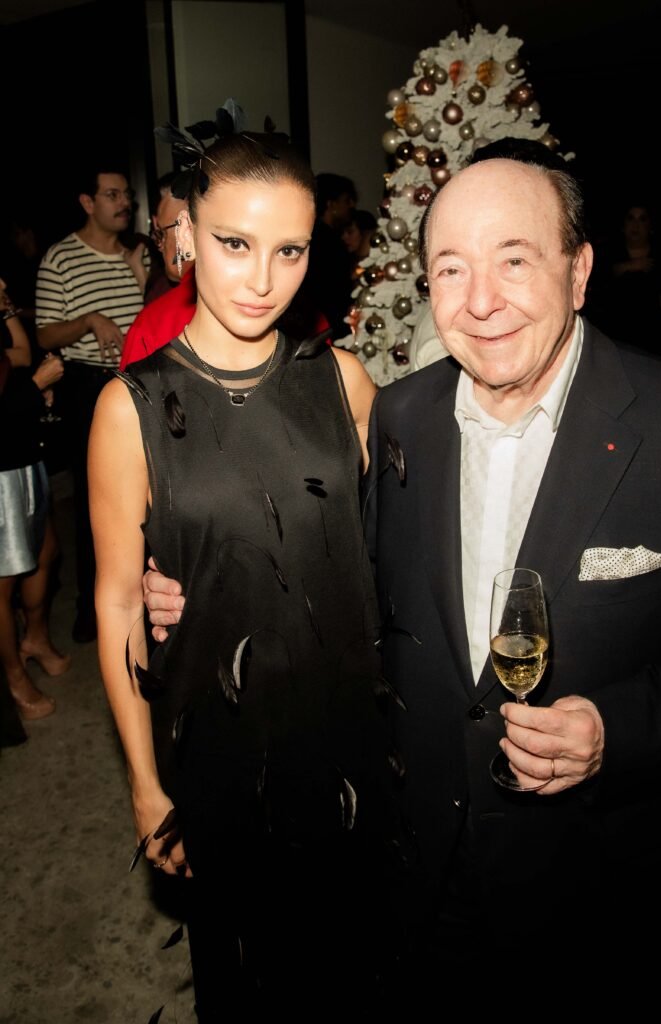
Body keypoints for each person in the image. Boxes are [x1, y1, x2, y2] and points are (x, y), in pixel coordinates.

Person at [144, 138, 661, 1005]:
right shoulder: (399, 418)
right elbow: (346, 574)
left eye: (514, 260)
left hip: (604, 887)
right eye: (451, 269)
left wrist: (617, 729)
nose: (483, 301)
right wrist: (202, 588)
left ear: (578, 271)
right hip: (422, 871)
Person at [89, 128, 399, 1021]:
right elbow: (117, 600)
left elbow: (394, 537)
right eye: (234, 243)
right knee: (248, 984)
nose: (262, 279)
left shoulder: (342, 380)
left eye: (289, 251)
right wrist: (146, 786)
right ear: (186, 235)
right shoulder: (131, 407)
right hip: (220, 740)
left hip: (347, 729)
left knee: (358, 970)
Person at [36, 164, 150, 642]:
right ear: (87, 202)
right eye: (112, 194)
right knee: (98, 503)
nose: (124, 203)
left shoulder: (137, 253)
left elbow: (151, 320)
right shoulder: (60, 258)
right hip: (88, 386)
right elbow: (45, 334)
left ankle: (148, 607)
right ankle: (94, 611)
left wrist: (141, 278)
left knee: (148, 495)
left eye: (126, 194)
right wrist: (88, 320)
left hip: (139, 380)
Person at [1, 283, 68, 723]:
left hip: (23, 454)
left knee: (46, 552)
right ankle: (13, 678)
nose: (4, 286)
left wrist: (31, 394)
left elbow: (20, 357)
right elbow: (23, 367)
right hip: (0, 470)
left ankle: (35, 638)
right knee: (3, 581)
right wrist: (34, 387)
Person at [586, 200, 661, 359]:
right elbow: (592, 291)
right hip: (614, 343)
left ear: (650, 226)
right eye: (630, 218)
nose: (636, 225)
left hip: (656, 343)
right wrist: (624, 268)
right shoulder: (606, 254)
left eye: (642, 219)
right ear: (623, 225)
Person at [118, 177, 195, 369]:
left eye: (161, 233)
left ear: (187, 232)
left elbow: (131, 389)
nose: (160, 246)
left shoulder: (152, 324)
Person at [302, 172, 358, 340]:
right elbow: (334, 292)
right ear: (331, 204)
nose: (352, 206)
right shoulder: (328, 241)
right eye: (346, 200)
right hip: (330, 328)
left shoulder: (315, 235)